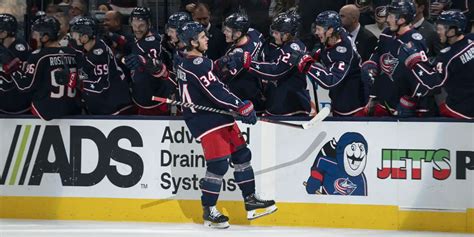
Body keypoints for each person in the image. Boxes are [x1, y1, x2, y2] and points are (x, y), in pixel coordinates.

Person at [175, 21, 277, 229]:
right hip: (207, 121)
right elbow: (217, 91)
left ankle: (250, 199)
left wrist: (222, 62)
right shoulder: (197, 64)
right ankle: (209, 211)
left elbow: (210, 74)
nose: (207, 39)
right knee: (219, 165)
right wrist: (242, 106)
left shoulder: (190, 61)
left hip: (218, 117)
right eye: (203, 37)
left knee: (241, 155)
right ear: (193, 41)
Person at [361, 0, 433, 117]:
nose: (387, 19)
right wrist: (373, 95)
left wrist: (418, 105)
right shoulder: (386, 34)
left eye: (391, 16)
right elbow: (378, 56)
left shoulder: (415, 41)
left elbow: (422, 77)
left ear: (402, 20)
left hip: (404, 106)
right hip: (384, 100)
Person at [400, 10, 474, 119]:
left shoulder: (448, 56)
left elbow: (432, 84)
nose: (437, 31)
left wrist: (415, 61)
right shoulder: (472, 39)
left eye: (441, 28)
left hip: (462, 109)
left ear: (453, 31)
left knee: (441, 107)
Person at [237, 11, 312, 116]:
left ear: (287, 34)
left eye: (277, 33)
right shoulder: (276, 46)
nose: (273, 35)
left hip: (292, 107)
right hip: (276, 104)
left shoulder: (294, 48)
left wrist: (251, 64)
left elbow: (276, 71)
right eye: (274, 32)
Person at [11, 16, 81, 120]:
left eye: (37, 34)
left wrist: (13, 70)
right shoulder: (73, 53)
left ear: (45, 37)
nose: (34, 37)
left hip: (45, 110)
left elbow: (25, 86)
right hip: (71, 109)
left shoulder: (38, 56)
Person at [298, 11, 366, 116]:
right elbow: (328, 50)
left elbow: (331, 81)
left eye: (319, 29)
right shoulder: (335, 34)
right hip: (340, 100)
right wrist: (315, 55)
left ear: (330, 30)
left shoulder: (343, 50)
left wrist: (308, 66)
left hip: (353, 107)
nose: (316, 32)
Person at [69, 17, 133, 115]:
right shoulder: (91, 46)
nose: (73, 37)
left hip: (116, 108)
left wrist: (75, 80)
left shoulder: (98, 55)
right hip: (106, 105)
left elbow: (100, 85)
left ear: (85, 37)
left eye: (75, 34)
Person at [123, 7, 176, 115]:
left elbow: (155, 65)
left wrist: (143, 61)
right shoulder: (136, 40)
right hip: (141, 97)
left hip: (157, 100)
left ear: (149, 24)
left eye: (141, 25)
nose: (137, 29)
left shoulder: (153, 43)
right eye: (135, 25)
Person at [214, 12, 265, 113]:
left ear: (238, 33)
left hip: (246, 102)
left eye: (228, 30)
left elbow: (220, 79)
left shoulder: (238, 57)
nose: (224, 32)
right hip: (256, 93)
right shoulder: (253, 33)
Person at [0, 13, 33, 114]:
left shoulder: (20, 48)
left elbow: (11, 79)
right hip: (3, 103)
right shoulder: (2, 47)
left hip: (19, 105)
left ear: (5, 33)